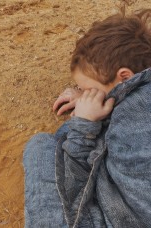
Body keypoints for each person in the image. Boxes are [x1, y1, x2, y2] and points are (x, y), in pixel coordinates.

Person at [23, 8, 151, 228]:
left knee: (40, 146)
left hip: (119, 217)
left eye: (90, 89)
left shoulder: (128, 126)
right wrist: (91, 93)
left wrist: (85, 122)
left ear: (124, 77)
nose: (85, 94)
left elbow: (77, 179)